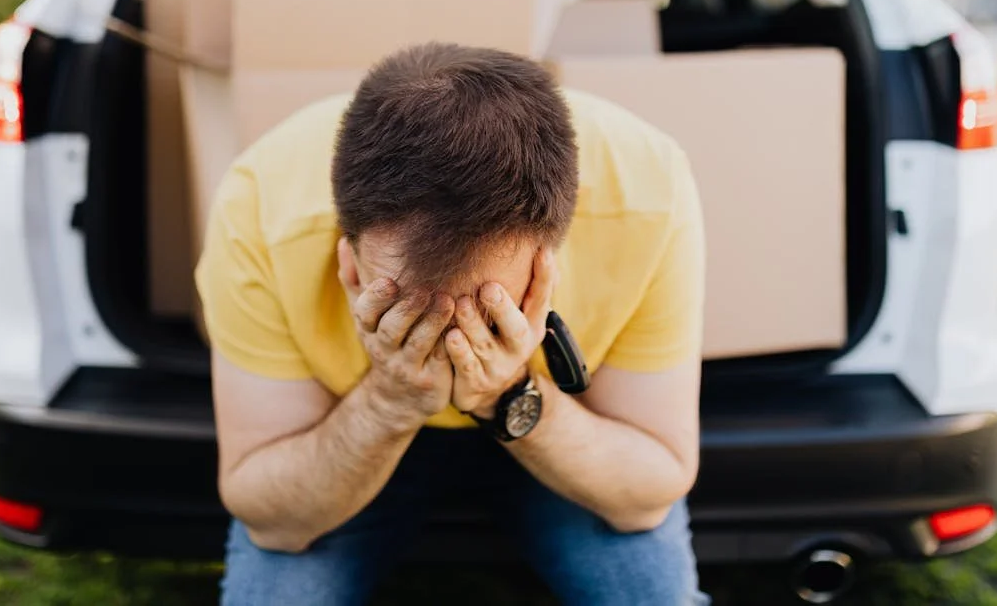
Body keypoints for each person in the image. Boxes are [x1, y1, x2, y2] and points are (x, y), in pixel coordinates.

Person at [198, 42, 708, 605]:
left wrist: (504, 392)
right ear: (348, 260)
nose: (449, 343)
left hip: (562, 428)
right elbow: (273, 520)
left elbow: (646, 494)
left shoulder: (648, 189)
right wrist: (389, 401)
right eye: (406, 310)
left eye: (486, 310)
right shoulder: (261, 203)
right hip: (341, 431)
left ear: (548, 260)